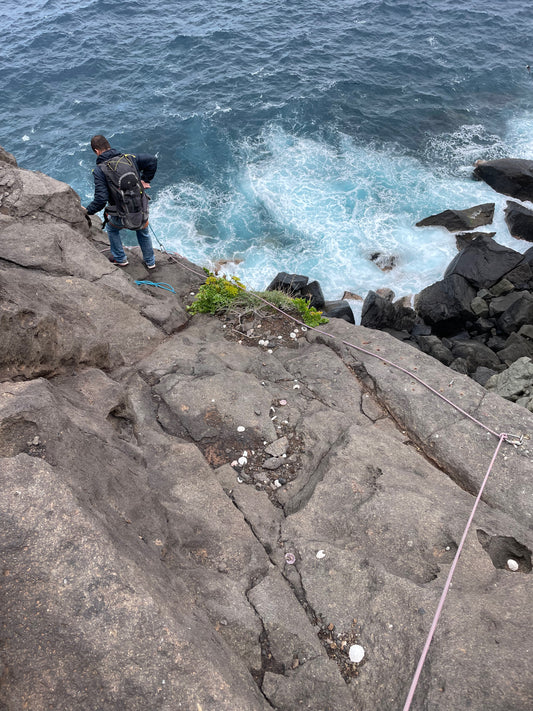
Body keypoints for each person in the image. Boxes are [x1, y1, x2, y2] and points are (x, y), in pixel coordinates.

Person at [82, 135, 157, 268]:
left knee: (111, 229)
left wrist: (88, 211)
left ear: (96, 151)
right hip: (139, 206)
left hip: (120, 213)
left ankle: (120, 259)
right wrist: (145, 180)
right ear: (108, 146)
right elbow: (152, 160)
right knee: (143, 230)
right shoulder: (129, 158)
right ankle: (150, 262)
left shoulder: (100, 170)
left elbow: (101, 199)